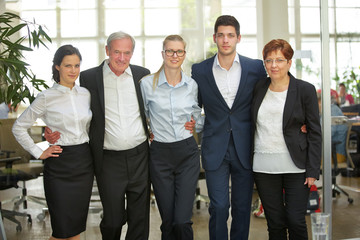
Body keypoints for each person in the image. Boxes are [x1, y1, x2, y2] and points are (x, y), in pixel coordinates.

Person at [45, 31, 151, 240]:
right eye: (117, 52)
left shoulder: (142, 75)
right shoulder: (89, 77)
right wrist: (53, 129)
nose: (122, 58)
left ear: (132, 53)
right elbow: (70, 104)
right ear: (107, 51)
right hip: (109, 159)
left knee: (140, 217)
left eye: (127, 53)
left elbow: (153, 106)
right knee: (113, 218)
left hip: (140, 155)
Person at [191, 15, 267, 239]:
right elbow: (192, 105)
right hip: (215, 147)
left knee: (242, 208)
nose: (225, 40)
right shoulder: (200, 70)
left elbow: (270, 98)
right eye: (221, 35)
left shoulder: (255, 68)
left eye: (230, 35)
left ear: (238, 38)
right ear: (214, 37)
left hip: (245, 147)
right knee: (219, 207)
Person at [12, 45, 94, 240]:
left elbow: (90, 127)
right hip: (59, 164)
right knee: (62, 230)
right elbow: (18, 127)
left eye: (76, 65)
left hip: (83, 162)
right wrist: (38, 151)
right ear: (57, 67)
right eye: (68, 65)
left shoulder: (86, 94)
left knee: (75, 229)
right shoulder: (46, 97)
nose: (73, 70)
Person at [251, 39, 322, 240]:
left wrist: (312, 169)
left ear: (289, 62)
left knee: (296, 220)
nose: (274, 65)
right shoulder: (258, 88)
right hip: (264, 167)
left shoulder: (304, 89)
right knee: (275, 223)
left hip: (296, 166)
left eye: (280, 60)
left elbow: (315, 132)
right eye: (269, 60)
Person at [140, 35, 204, 240]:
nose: (174, 55)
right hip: (159, 155)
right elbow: (141, 116)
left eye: (179, 51)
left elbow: (198, 116)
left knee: (182, 220)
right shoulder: (147, 84)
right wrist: (147, 129)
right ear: (163, 54)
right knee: (168, 221)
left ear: (184, 54)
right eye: (170, 51)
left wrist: (197, 124)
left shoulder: (192, 85)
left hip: (187, 153)